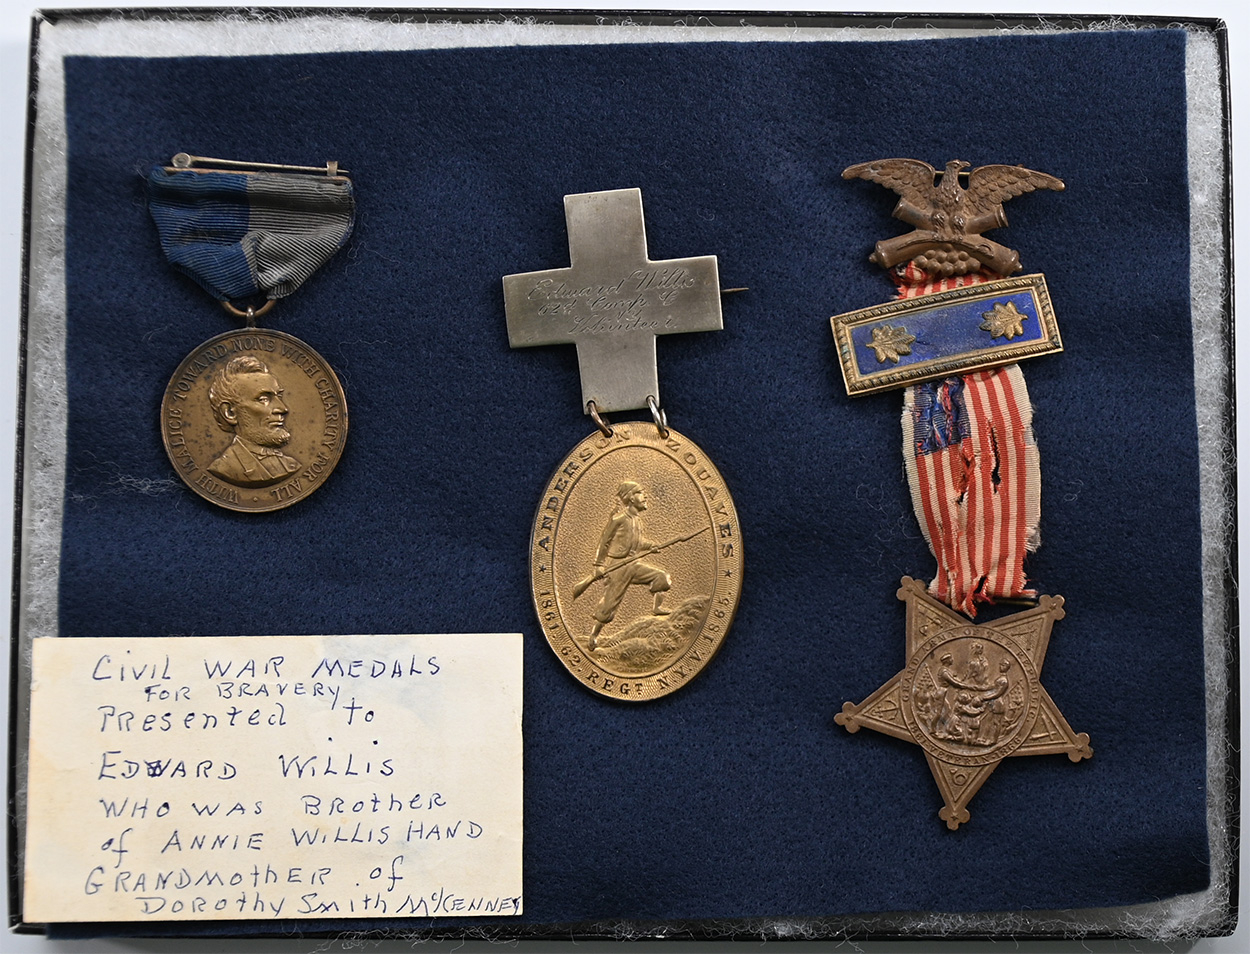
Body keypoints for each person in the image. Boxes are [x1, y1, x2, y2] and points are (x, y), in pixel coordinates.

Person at [588, 481, 671, 650]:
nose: (645, 496)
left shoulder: (637, 521)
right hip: (618, 566)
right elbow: (604, 542)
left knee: (662, 577)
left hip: (633, 564)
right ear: (631, 498)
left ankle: (657, 608)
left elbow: (636, 542)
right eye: (641, 493)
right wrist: (598, 564)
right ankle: (594, 635)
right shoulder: (619, 519)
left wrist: (650, 546)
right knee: (610, 602)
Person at [206, 356, 301, 487]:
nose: (283, 408)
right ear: (230, 413)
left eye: (278, 396)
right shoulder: (224, 468)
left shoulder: (291, 465)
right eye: (263, 399)